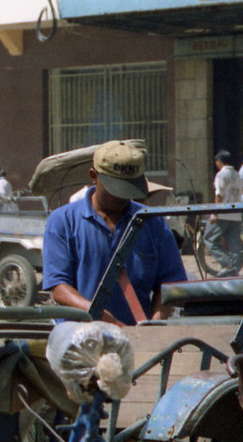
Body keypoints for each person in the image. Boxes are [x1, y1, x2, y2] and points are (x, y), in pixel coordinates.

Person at [43, 140, 187, 326]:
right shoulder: (63, 221)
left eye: (128, 189)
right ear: (93, 176)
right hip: (79, 337)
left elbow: (170, 284)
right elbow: (58, 287)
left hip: (138, 339)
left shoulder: (152, 222)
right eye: (115, 189)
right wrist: (98, 315)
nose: (122, 197)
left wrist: (153, 326)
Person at [204, 150, 243, 277]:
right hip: (236, 214)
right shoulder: (237, 175)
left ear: (219, 162)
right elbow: (242, 193)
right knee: (234, 243)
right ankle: (235, 269)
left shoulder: (221, 175)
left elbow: (219, 195)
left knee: (209, 238)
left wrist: (215, 213)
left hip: (223, 214)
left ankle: (227, 265)